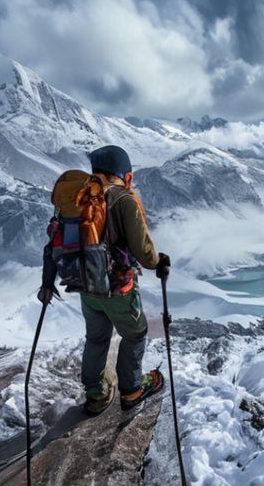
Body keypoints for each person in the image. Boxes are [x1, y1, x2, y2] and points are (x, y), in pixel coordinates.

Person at [38, 145, 172, 414]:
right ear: (126, 174)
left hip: (85, 284)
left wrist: (47, 282)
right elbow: (144, 252)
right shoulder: (124, 199)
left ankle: (96, 394)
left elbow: (54, 242)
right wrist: (160, 262)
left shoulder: (80, 198)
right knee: (135, 335)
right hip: (118, 288)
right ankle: (132, 389)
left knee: (96, 339)